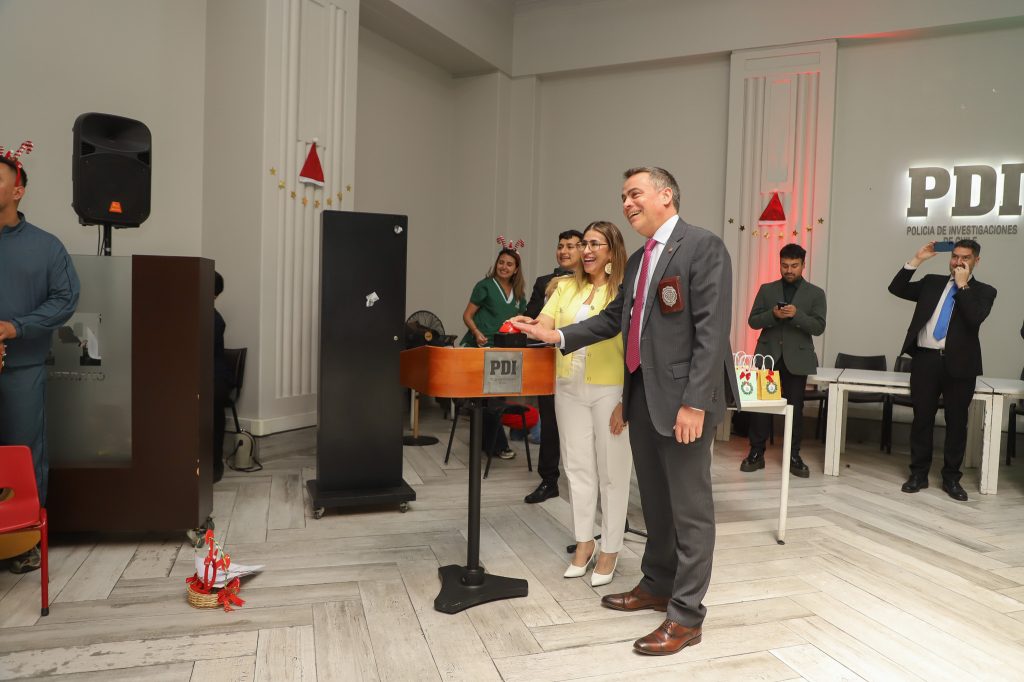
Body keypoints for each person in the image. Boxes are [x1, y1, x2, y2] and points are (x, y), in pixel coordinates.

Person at [515, 167, 737, 656]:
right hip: (643, 398)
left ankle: (686, 615)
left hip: (684, 403)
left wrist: (695, 402)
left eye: (635, 194)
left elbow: (711, 329)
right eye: (623, 197)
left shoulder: (703, 247)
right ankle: (657, 583)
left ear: (666, 195)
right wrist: (557, 335)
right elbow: (616, 319)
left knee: (689, 510)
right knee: (655, 503)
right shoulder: (638, 259)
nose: (627, 203)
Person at [526, 221, 631, 586]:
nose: (586, 250)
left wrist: (627, 400)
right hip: (568, 386)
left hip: (610, 390)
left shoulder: (623, 290)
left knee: (612, 473)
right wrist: (529, 325)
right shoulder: (564, 286)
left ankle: (611, 548)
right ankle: (585, 543)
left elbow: (635, 346)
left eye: (595, 244)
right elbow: (544, 324)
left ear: (612, 251)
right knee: (577, 469)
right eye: (584, 244)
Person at [0, 144, 80, 573]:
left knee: (22, 454)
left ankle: (22, 544)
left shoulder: (46, 247)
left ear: (18, 191)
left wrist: (16, 327)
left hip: (21, 369)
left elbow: (65, 299)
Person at [889, 239, 996, 501]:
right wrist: (917, 259)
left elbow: (975, 317)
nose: (958, 262)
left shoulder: (984, 291)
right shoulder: (932, 283)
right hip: (925, 361)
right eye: (955, 257)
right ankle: (918, 474)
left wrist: (962, 285)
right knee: (922, 419)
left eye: (965, 258)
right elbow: (896, 288)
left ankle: (951, 479)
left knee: (956, 423)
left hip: (960, 365)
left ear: (976, 261)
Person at [740, 243, 826, 478]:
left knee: (795, 409)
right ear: (779, 264)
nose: (789, 270)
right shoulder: (766, 289)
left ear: (803, 265)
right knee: (760, 408)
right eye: (785, 265)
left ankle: (793, 455)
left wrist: (796, 315)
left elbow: (819, 327)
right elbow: (753, 321)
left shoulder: (816, 293)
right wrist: (773, 315)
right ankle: (756, 453)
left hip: (797, 359)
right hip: (767, 356)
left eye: (794, 266)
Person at [523, 229, 583, 504]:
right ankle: (549, 480)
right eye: (560, 246)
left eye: (571, 246)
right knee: (550, 424)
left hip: (584, 362)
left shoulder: (594, 282)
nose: (564, 251)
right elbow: (532, 316)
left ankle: (588, 487)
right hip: (549, 363)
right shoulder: (543, 282)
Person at [460, 247, 528, 459]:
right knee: (489, 401)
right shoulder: (485, 286)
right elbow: (467, 315)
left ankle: (486, 443)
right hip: (479, 349)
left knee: (495, 400)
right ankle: (497, 445)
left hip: (503, 353)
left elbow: (521, 322)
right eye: (501, 262)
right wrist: (476, 332)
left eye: (509, 264)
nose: (504, 267)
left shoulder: (519, 295)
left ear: (516, 269)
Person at [213, 272, 229, 483]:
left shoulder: (215, 320)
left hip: (214, 378)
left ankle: (214, 464)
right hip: (207, 374)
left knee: (212, 408)